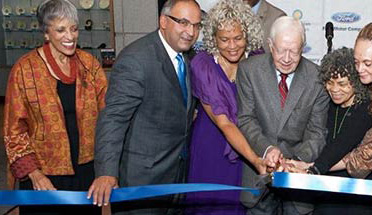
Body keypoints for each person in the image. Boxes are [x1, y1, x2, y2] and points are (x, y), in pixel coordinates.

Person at [87, 0, 201, 214]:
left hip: (177, 174)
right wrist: (106, 172)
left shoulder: (189, 57)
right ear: (163, 21)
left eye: (196, 25)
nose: (191, 32)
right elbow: (113, 118)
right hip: (143, 180)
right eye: (184, 23)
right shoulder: (136, 59)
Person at [3, 0, 107, 214]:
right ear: (46, 33)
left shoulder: (90, 65)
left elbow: (107, 117)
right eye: (60, 30)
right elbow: (14, 131)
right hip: (43, 175)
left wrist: (106, 169)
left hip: (86, 171)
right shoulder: (24, 69)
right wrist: (35, 174)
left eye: (73, 28)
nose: (70, 36)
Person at [237, 16, 329, 215]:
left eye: (294, 52)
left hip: (298, 182)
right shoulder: (249, 70)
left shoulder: (318, 78)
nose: (287, 59)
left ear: (302, 48)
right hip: (259, 179)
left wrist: (293, 162)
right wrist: (267, 149)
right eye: (281, 50)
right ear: (270, 45)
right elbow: (245, 119)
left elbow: (317, 133)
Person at [184, 0, 266, 214]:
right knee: (209, 205)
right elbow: (225, 123)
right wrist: (256, 160)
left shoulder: (259, 60)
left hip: (246, 147)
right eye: (224, 39)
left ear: (248, 34)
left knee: (239, 204)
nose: (232, 46)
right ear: (213, 38)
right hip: (211, 146)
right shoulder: (203, 64)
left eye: (238, 38)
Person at [286, 47, 372, 214]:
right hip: (326, 187)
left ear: (356, 83)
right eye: (329, 82)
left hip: (356, 191)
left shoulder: (365, 109)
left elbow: (343, 144)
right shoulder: (329, 105)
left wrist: (312, 169)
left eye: (342, 84)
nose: (334, 89)